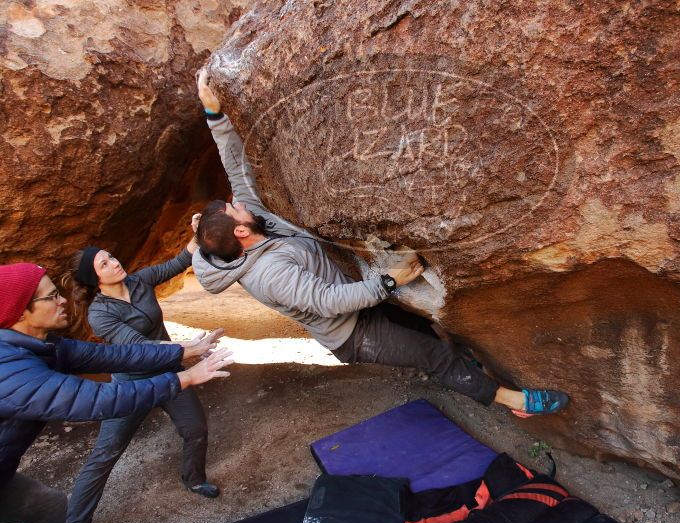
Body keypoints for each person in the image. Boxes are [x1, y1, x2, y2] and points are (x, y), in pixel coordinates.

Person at [192, 70, 569, 417]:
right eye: (234, 210)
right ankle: (516, 403)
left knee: (429, 335)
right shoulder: (269, 274)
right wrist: (389, 282)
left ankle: (469, 372)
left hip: (360, 301)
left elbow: (237, 171)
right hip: (353, 334)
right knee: (434, 356)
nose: (239, 203)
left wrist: (215, 116)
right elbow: (327, 301)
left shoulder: (258, 225)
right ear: (241, 233)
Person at [0, 263, 232, 523]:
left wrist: (185, 350)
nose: (62, 300)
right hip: (131, 386)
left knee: (49, 507)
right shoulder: (11, 370)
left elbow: (115, 355)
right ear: (19, 311)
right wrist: (186, 378)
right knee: (101, 457)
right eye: (51, 296)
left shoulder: (44, 346)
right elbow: (100, 400)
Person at [63, 224, 221, 523]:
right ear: (94, 280)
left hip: (170, 373)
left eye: (110, 256)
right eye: (103, 264)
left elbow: (177, 262)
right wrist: (189, 348)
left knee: (196, 428)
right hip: (131, 384)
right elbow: (138, 346)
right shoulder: (100, 313)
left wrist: (196, 232)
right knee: (105, 454)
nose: (114, 262)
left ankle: (194, 479)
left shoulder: (139, 281)